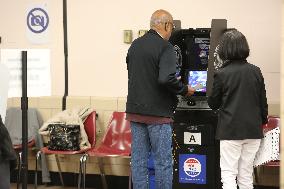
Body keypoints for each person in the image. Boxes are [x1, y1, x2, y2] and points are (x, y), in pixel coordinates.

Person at [126, 9, 195, 189]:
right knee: (163, 162)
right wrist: (184, 89)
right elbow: (165, 79)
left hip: (135, 112)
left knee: (139, 160)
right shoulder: (166, 47)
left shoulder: (135, 45)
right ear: (166, 25)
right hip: (158, 114)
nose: (171, 31)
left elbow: (137, 74)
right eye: (171, 26)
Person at [207, 29, 268, 189]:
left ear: (224, 49)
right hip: (253, 131)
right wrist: (262, 123)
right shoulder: (256, 71)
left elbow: (213, 103)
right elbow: (263, 103)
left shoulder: (222, 74)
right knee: (246, 175)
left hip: (230, 130)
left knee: (228, 175)